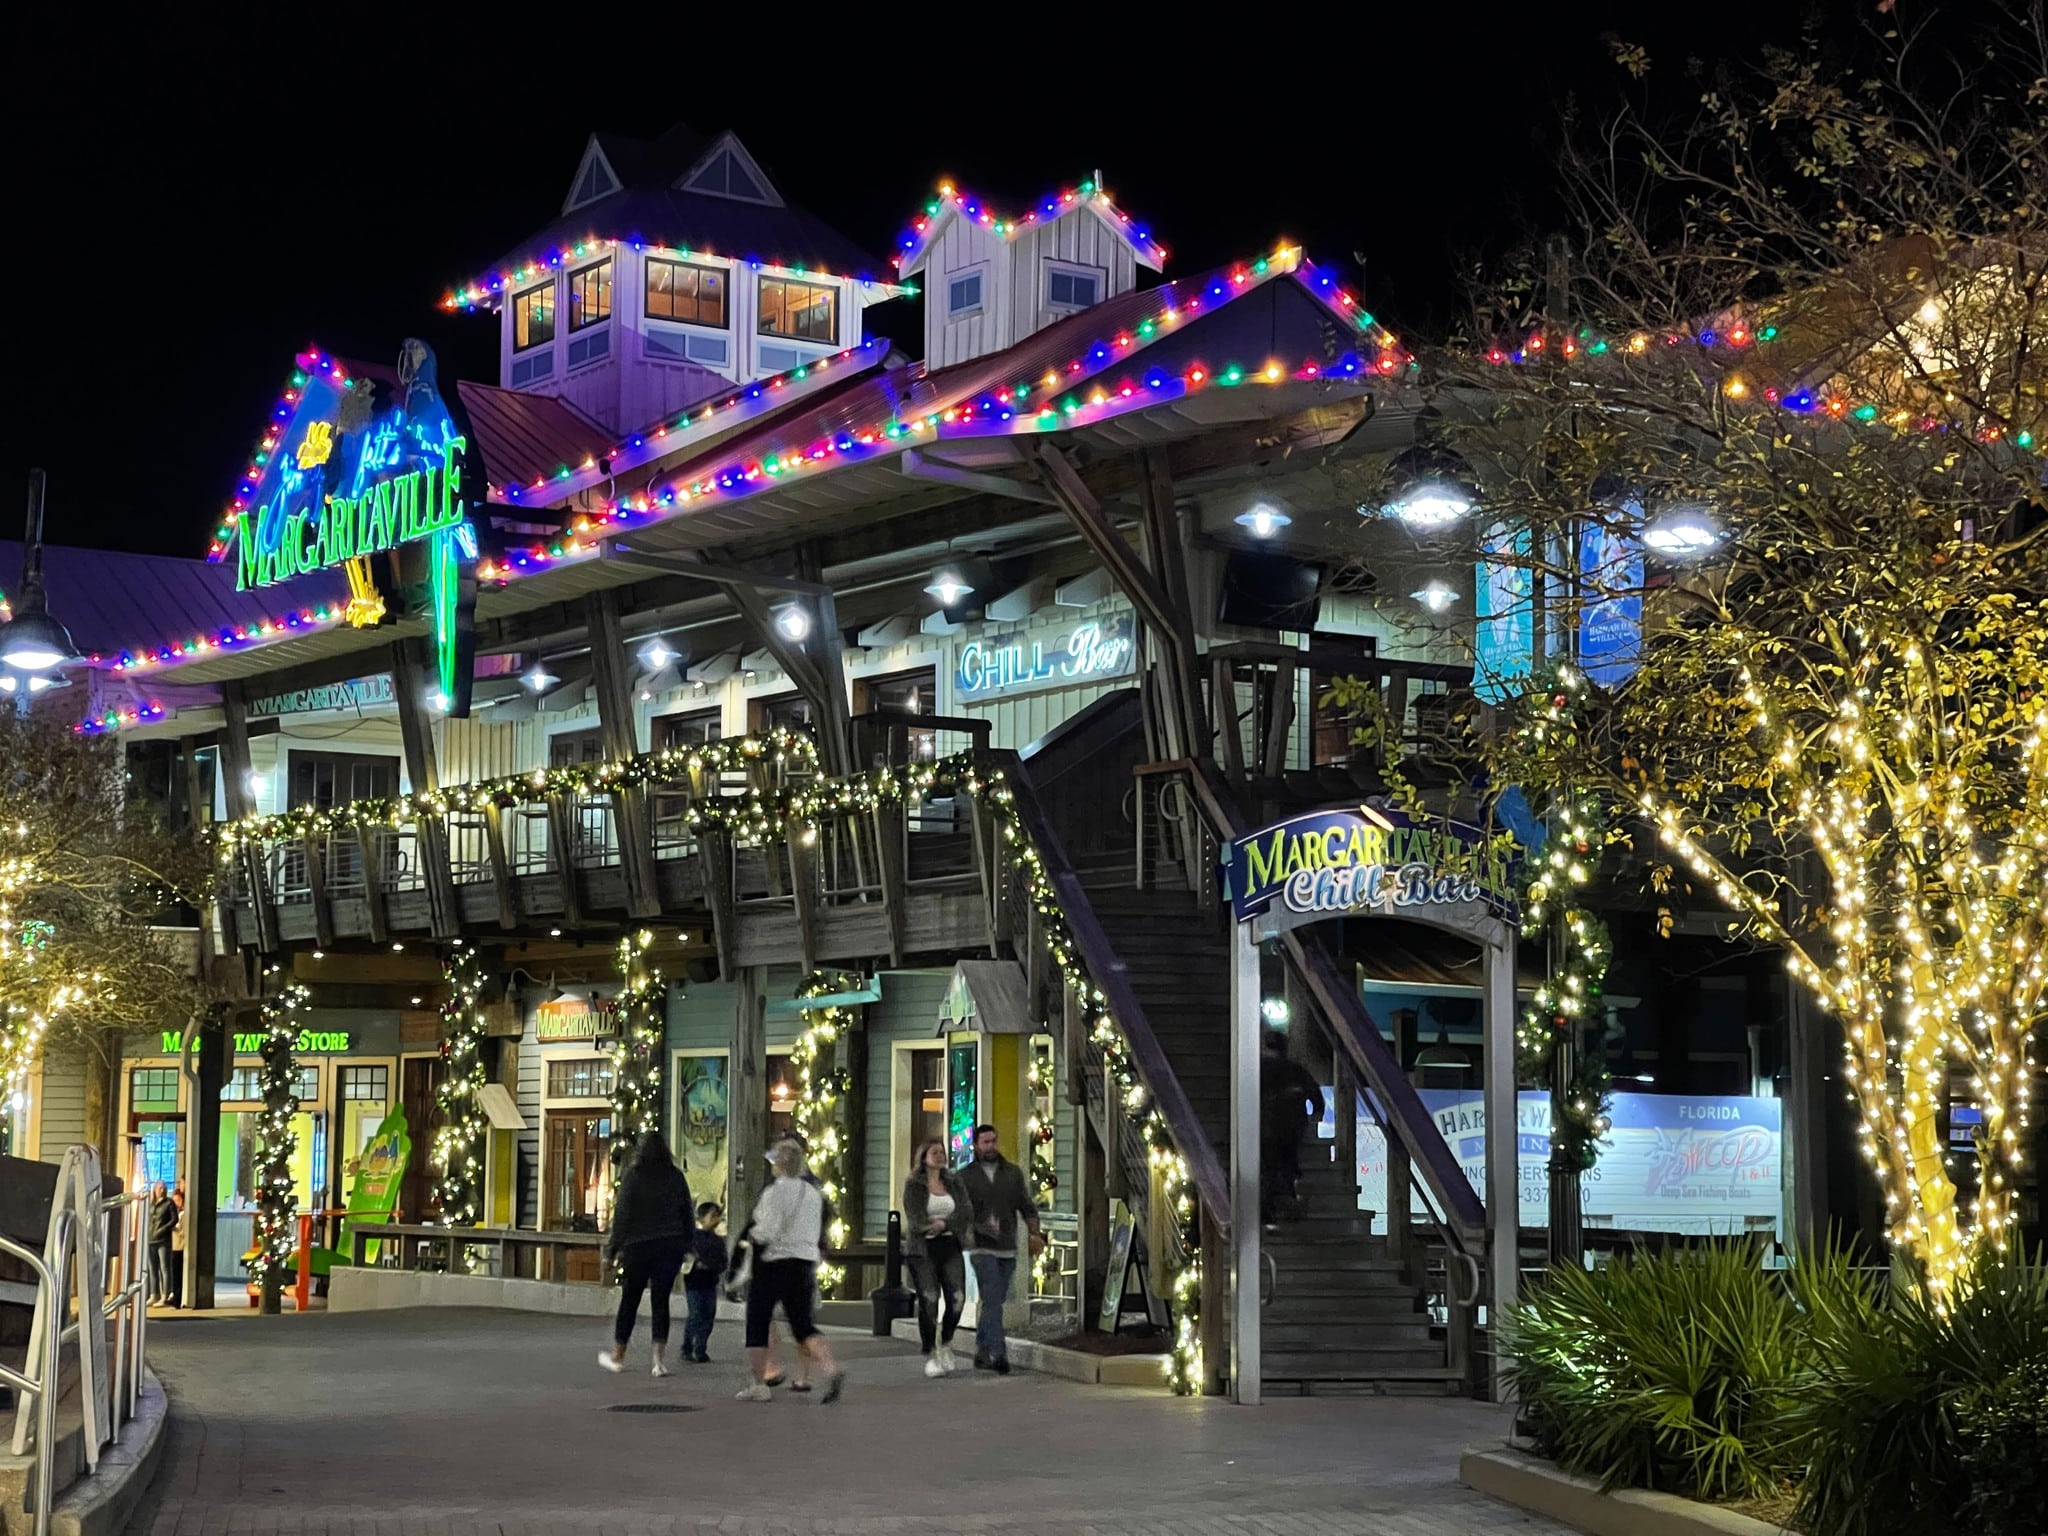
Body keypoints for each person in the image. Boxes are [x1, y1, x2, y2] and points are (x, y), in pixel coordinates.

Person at [738, 1138, 843, 1404]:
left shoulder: (774, 1192)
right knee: (802, 1324)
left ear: (779, 1163)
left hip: (773, 1262)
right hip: (804, 1263)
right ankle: (831, 1368)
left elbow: (768, 1230)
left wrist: (751, 1236)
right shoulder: (813, 1194)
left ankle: (759, 1383)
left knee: (758, 1321)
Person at [598, 1132, 694, 1377]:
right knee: (660, 1301)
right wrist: (687, 1245)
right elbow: (687, 1214)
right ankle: (658, 1361)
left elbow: (622, 1217)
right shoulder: (675, 1177)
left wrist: (611, 1251)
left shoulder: (633, 1177)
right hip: (669, 1245)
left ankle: (618, 1355)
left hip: (637, 1246)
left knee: (630, 1299)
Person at [962, 1125, 1041, 1374]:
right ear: (975, 1145)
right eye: (985, 1142)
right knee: (993, 1297)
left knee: (993, 1300)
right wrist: (980, 1227)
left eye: (993, 1141)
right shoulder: (966, 1177)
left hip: (1007, 1247)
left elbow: (1026, 1205)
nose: (990, 1146)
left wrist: (1034, 1233)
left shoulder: (1012, 1174)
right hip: (981, 1247)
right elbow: (960, 1213)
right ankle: (999, 1354)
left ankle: (982, 1350)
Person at [902, 1138, 975, 1378]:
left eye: (942, 1152)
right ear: (924, 1157)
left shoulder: (954, 1182)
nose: (940, 1156)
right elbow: (914, 1218)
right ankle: (931, 1350)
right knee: (930, 1300)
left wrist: (945, 1223)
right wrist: (927, 1226)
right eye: (935, 1152)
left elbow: (965, 1210)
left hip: (950, 1244)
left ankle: (946, 1342)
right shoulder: (914, 1185)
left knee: (957, 1298)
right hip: (923, 1249)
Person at [1260, 1030, 1326, 1222]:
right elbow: (1315, 1095)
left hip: (1268, 1124)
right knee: (1287, 1161)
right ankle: (1289, 1198)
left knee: (1269, 1166)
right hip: (1294, 1124)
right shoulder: (1296, 1069)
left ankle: (1269, 1208)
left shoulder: (1258, 1069)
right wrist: (1316, 1114)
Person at [680, 1201, 726, 1364]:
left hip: (709, 1282)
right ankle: (687, 1347)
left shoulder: (718, 1241)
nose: (716, 1219)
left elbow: (723, 1262)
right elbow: (684, 1257)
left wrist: (712, 1266)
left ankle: (700, 1349)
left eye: (717, 1216)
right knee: (695, 1315)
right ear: (701, 1218)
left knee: (708, 1316)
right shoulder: (691, 1237)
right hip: (693, 1282)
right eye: (712, 1216)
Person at [147, 1181, 177, 1306]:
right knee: (152, 1268)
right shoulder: (151, 1204)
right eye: (160, 1188)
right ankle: (154, 1294)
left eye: (164, 1188)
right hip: (150, 1238)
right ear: (154, 1190)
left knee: (164, 1268)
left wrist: (163, 1229)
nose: (162, 1190)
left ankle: (165, 1294)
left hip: (163, 1240)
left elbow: (174, 1219)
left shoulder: (169, 1203)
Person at [166, 1184, 186, 1308]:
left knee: (178, 1273)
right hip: (174, 1245)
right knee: (174, 1273)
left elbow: (182, 1230)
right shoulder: (176, 1213)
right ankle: (174, 1295)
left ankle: (177, 1298)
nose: (175, 1203)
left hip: (179, 1246)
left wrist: (173, 1227)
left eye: (177, 1200)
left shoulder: (183, 1215)